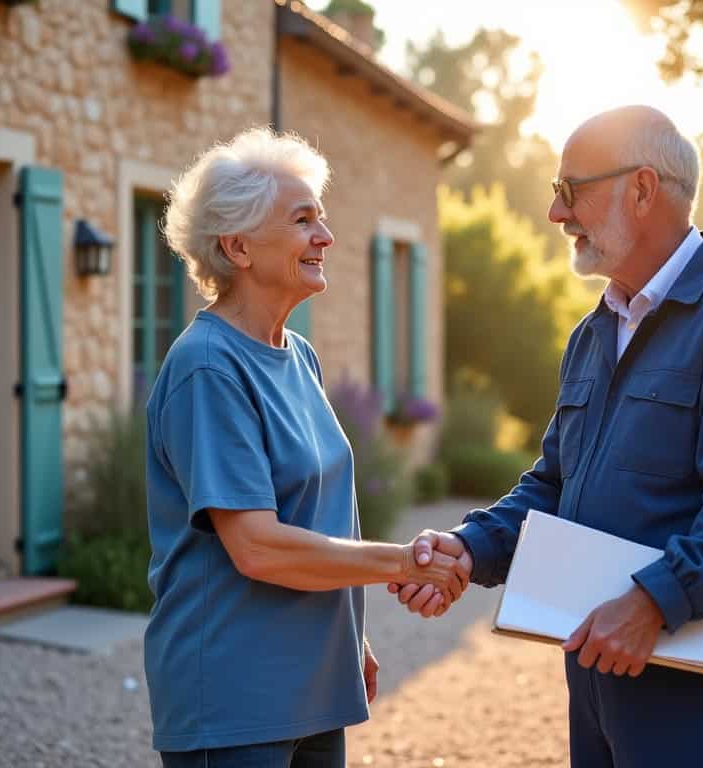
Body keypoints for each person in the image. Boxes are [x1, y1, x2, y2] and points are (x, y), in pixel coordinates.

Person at [393, 105, 703, 767]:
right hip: (599, 670)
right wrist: (470, 548)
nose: (557, 214)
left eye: (569, 191)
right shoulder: (595, 332)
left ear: (642, 190)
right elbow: (555, 484)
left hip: (696, 684)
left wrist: (652, 601)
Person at [143, 127, 469, 768]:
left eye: (321, 218)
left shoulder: (300, 357)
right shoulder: (208, 367)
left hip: (314, 685)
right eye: (302, 220)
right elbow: (258, 547)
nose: (326, 237)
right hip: (235, 698)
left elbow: (317, 515)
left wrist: (352, 635)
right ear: (237, 246)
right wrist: (404, 562)